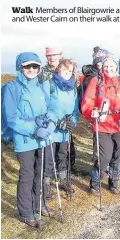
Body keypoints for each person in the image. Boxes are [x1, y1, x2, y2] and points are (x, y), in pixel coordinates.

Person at [3, 52, 56, 227]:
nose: (31, 69)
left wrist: (51, 124)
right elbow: (11, 118)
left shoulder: (40, 86)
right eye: (27, 66)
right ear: (20, 67)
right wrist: (34, 129)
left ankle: (39, 204)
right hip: (24, 139)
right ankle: (26, 212)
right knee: (27, 174)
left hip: (42, 138)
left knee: (41, 172)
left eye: (35, 66)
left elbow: (50, 109)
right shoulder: (11, 88)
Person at [81, 57, 120, 195]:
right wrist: (91, 112)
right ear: (102, 67)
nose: (108, 69)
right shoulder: (96, 81)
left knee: (118, 155)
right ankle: (95, 183)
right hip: (102, 124)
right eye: (106, 67)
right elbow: (88, 101)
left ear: (116, 67)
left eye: (111, 67)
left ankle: (114, 182)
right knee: (104, 156)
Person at [45, 59, 78, 194]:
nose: (67, 72)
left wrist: (73, 122)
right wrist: (55, 122)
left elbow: (75, 109)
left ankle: (63, 179)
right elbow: (42, 107)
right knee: (49, 156)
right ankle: (45, 183)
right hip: (51, 128)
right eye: (65, 69)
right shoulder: (49, 84)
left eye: (70, 70)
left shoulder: (72, 88)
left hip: (65, 129)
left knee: (63, 154)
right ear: (58, 69)